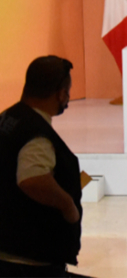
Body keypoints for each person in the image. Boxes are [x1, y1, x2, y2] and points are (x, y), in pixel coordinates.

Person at [0, 56, 82, 277]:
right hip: (29, 263)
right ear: (60, 93)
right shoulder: (37, 135)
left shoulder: (8, 117)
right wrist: (68, 205)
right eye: (68, 91)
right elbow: (31, 179)